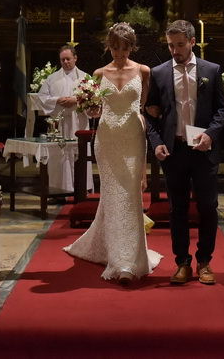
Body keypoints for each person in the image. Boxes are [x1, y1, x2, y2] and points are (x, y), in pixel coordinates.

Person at [64, 23, 162, 285]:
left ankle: (130, 258)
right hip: (106, 138)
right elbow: (91, 105)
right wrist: (90, 108)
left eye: (125, 47)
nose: (119, 52)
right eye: (115, 47)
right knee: (112, 195)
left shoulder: (143, 71)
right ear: (108, 46)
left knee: (131, 195)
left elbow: (146, 106)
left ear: (132, 46)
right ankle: (119, 261)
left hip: (132, 136)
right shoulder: (98, 73)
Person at [144, 20, 224, 285]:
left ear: (192, 42)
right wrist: (156, 142)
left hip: (203, 150)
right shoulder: (158, 73)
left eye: (180, 45)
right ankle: (182, 262)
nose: (175, 50)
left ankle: (205, 261)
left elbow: (221, 110)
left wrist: (209, 134)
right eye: (171, 45)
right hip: (175, 149)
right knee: (176, 209)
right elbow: (151, 115)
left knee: (208, 207)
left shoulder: (211, 71)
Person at [36, 45, 92, 193]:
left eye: (68, 58)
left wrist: (76, 101)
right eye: (62, 59)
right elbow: (42, 98)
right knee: (59, 156)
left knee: (79, 153)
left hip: (78, 122)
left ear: (75, 58)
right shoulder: (52, 78)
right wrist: (57, 100)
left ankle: (81, 188)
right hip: (59, 124)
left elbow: (93, 99)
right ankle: (59, 189)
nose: (66, 62)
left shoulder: (85, 78)